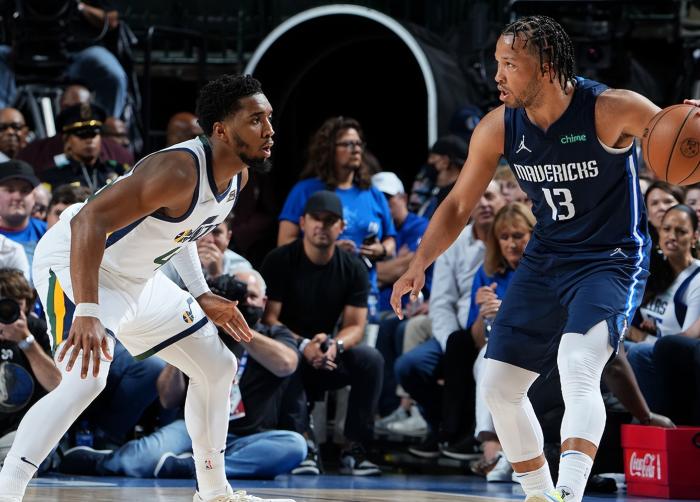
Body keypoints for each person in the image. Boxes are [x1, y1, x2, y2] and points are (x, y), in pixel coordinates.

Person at [391, 15, 679, 502]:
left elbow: (676, 135)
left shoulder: (611, 108)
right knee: (498, 384)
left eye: (509, 64)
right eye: (496, 63)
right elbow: (459, 204)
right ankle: (540, 493)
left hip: (610, 259)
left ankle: (568, 492)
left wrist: (690, 126)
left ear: (545, 67)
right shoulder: (499, 127)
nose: (497, 75)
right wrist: (418, 262)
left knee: (577, 363)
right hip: (546, 256)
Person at [0, 74, 295, 502]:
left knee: (217, 366)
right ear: (220, 130)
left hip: (139, 279)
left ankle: (215, 493)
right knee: (85, 382)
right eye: (255, 120)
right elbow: (87, 222)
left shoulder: (238, 178)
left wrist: (200, 293)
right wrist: (88, 309)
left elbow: (186, 230)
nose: (269, 130)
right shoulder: (177, 169)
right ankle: (7, 490)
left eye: (268, 118)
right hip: (77, 264)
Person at [59, 269, 306, 480]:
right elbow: (168, 399)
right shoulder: (205, 331)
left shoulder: (274, 333)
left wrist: (236, 327)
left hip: (248, 437)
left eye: (251, 296)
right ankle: (103, 463)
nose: (243, 303)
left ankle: (195, 467)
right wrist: (188, 337)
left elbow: (286, 364)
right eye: (236, 297)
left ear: (264, 301)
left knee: (294, 445)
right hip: (193, 428)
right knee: (142, 459)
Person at [262, 191, 384, 476]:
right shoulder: (280, 259)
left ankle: (355, 448)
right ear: (303, 222)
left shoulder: (353, 267)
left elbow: (356, 325)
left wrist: (334, 345)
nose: (321, 225)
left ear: (341, 227)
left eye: (330, 220)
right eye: (316, 218)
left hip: (324, 350)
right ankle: (302, 443)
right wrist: (303, 344)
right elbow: (269, 319)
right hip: (285, 349)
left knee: (370, 360)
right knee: (288, 357)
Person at [625, 204, 700, 410]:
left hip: (673, 360)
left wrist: (641, 336)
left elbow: (683, 343)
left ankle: (647, 418)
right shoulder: (654, 268)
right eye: (666, 229)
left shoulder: (697, 279)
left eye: (681, 231)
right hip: (649, 346)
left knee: (635, 351)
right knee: (608, 347)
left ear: (694, 237)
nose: (672, 236)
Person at [0, 269, 61, 465]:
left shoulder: (39, 330)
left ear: (26, 304)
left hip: (24, 433)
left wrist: (27, 342)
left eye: (15, 305)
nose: (7, 312)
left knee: (15, 463)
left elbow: (58, 385)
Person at [39, 103, 128, 192]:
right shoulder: (53, 177)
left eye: (93, 134)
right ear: (67, 140)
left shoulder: (117, 170)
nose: (89, 140)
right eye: (82, 135)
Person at [0, 161, 46, 268]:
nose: (17, 197)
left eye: (25, 190)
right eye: (10, 190)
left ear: (34, 197)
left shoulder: (47, 232)